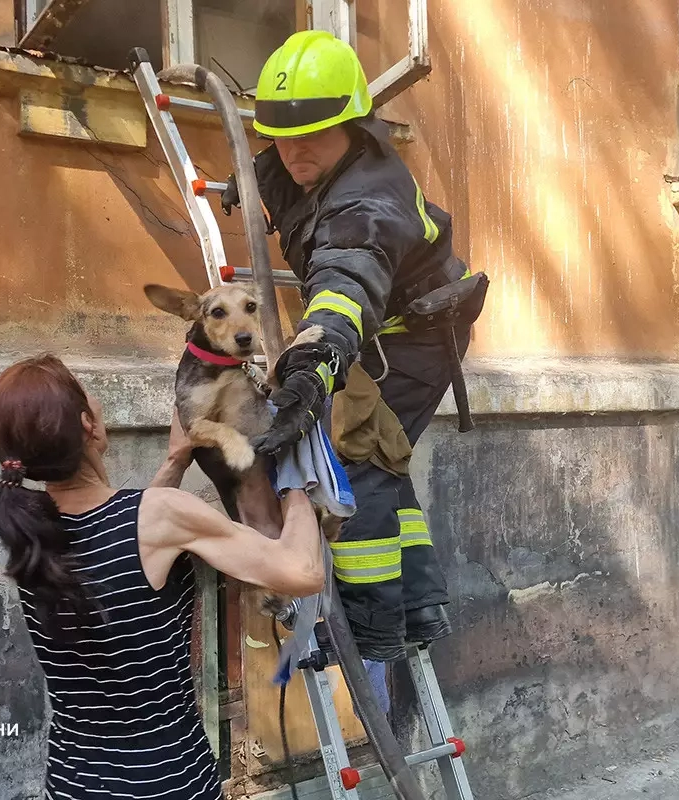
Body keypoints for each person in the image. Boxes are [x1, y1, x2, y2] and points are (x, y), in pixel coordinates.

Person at [222, 29, 476, 663]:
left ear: (354, 127)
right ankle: (415, 608)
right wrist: (246, 179)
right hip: (389, 332)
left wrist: (314, 363)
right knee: (384, 459)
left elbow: (346, 280)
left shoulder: (367, 201)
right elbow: (283, 161)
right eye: (281, 135)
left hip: (408, 339)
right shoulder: (297, 159)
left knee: (354, 459)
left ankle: (368, 628)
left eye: (313, 134)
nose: (295, 151)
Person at [0, 354, 324, 800]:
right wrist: (297, 476)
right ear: (88, 425)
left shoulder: (30, 531)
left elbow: (130, 539)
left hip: (72, 783)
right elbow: (303, 571)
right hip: (166, 782)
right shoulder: (158, 517)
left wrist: (176, 460)